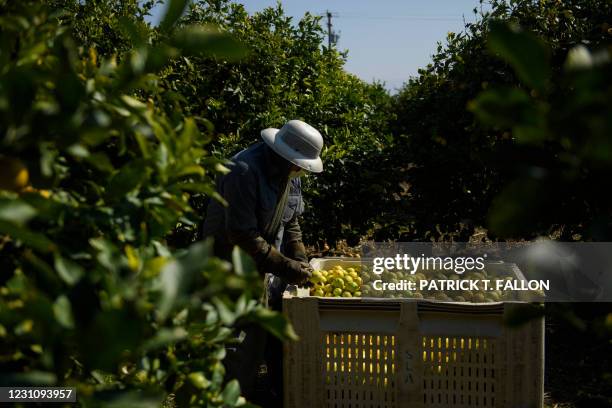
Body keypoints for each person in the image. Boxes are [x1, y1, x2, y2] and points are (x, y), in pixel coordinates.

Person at [200, 119, 324, 405]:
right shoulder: (243, 171)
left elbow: (291, 223)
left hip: (266, 261)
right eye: (297, 164)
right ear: (281, 154)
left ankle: (266, 392)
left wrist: (301, 259)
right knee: (239, 340)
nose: (299, 170)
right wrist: (286, 267)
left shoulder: (290, 174)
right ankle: (226, 397)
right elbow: (242, 234)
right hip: (230, 264)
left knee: (271, 333)